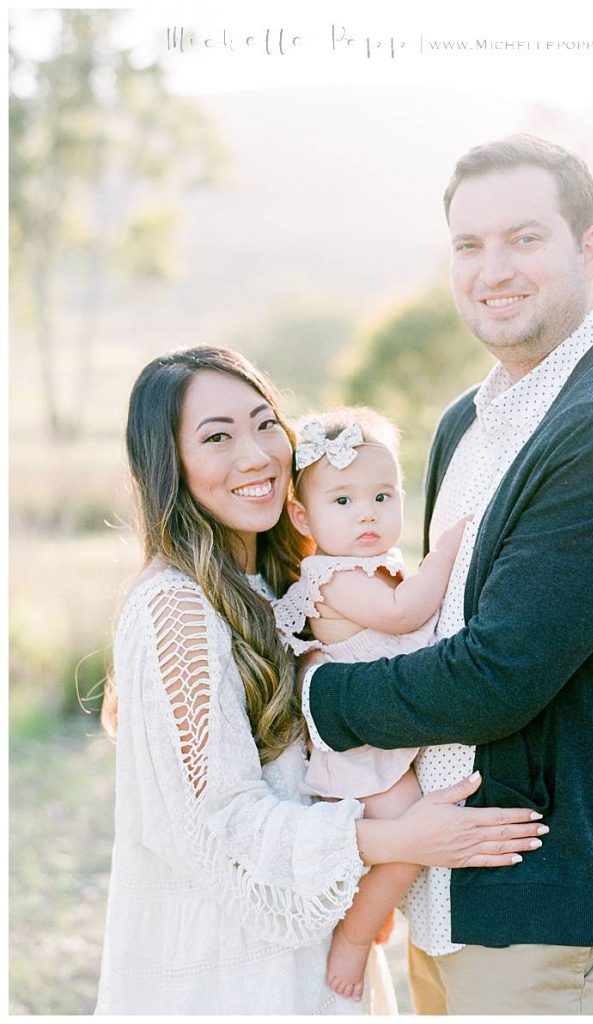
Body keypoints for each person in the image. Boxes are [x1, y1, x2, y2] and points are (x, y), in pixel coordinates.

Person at [301, 134, 593, 1014]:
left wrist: (316, 700)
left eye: (524, 238)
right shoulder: (466, 421)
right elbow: (434, 619)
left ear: (588, 249)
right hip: (444, 889)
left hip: (540, 899)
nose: (492, 271)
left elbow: (494, 678)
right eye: (468, 246)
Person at [95, 345, 547, 1015]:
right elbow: (215, 827)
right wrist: (397, 840)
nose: (255, 455)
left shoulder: (280, 581)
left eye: (263, 424)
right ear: (171, 466)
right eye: (217, 437)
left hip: (310, 941)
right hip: (230, 975)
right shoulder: (177, 607)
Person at [272, 406, 476, 1001]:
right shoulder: (330, 577)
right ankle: (357, 938)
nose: (368, 513)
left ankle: (371, 910)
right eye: (343, 502)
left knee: (403, 845)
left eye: (384, 496)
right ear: (302, 515)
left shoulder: (379, 566)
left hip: (387, 741)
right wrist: (447, 553)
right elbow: (404, 615)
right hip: (362, 756)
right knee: (411, 841)